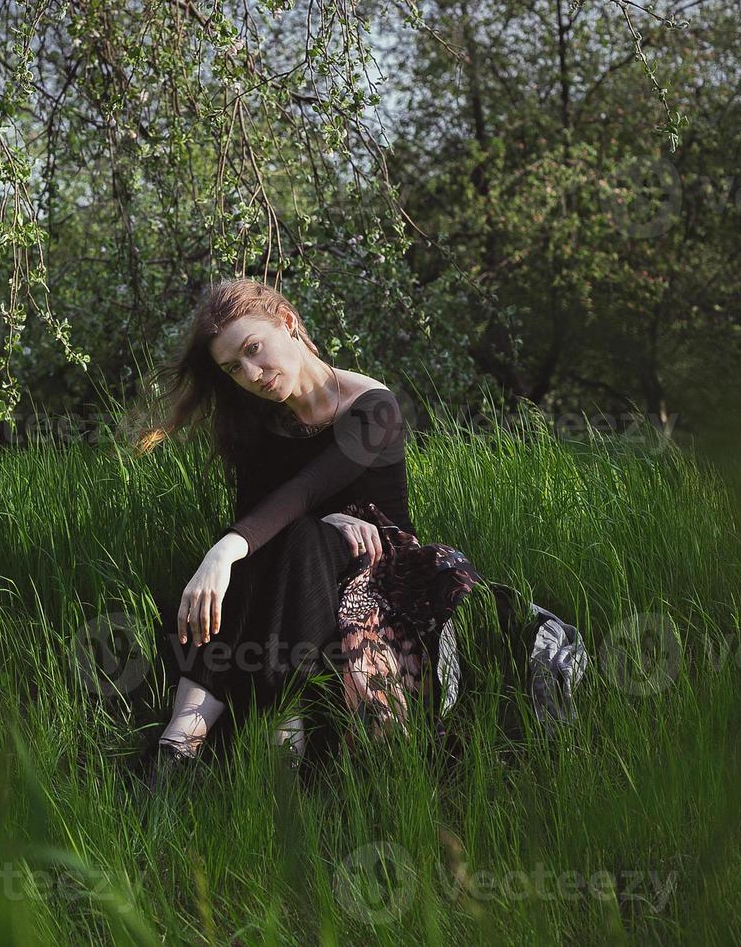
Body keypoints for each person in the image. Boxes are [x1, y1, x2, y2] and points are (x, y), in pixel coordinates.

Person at [128, 277, 586, 784]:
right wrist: (305, 525)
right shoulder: (258, 421)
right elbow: (265, 514)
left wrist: (224, 549)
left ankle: (260, 734)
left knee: (284, 541)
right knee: (290, 543)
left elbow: (302, 490)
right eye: (234, 367)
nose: (251, 374)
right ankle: (183, 747)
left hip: (385, 570)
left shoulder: (372, 405)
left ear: (287, 322)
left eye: (254, 350)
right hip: (297, 564)